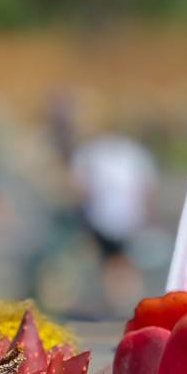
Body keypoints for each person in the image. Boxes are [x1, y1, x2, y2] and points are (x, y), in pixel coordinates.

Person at [68, 131, 158, 314]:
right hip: (103, 218)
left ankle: (124, 303)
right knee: (111, 263)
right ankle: (119, 303)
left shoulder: (130, 154)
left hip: (125, 219)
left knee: (120, 262)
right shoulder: (94, 153)